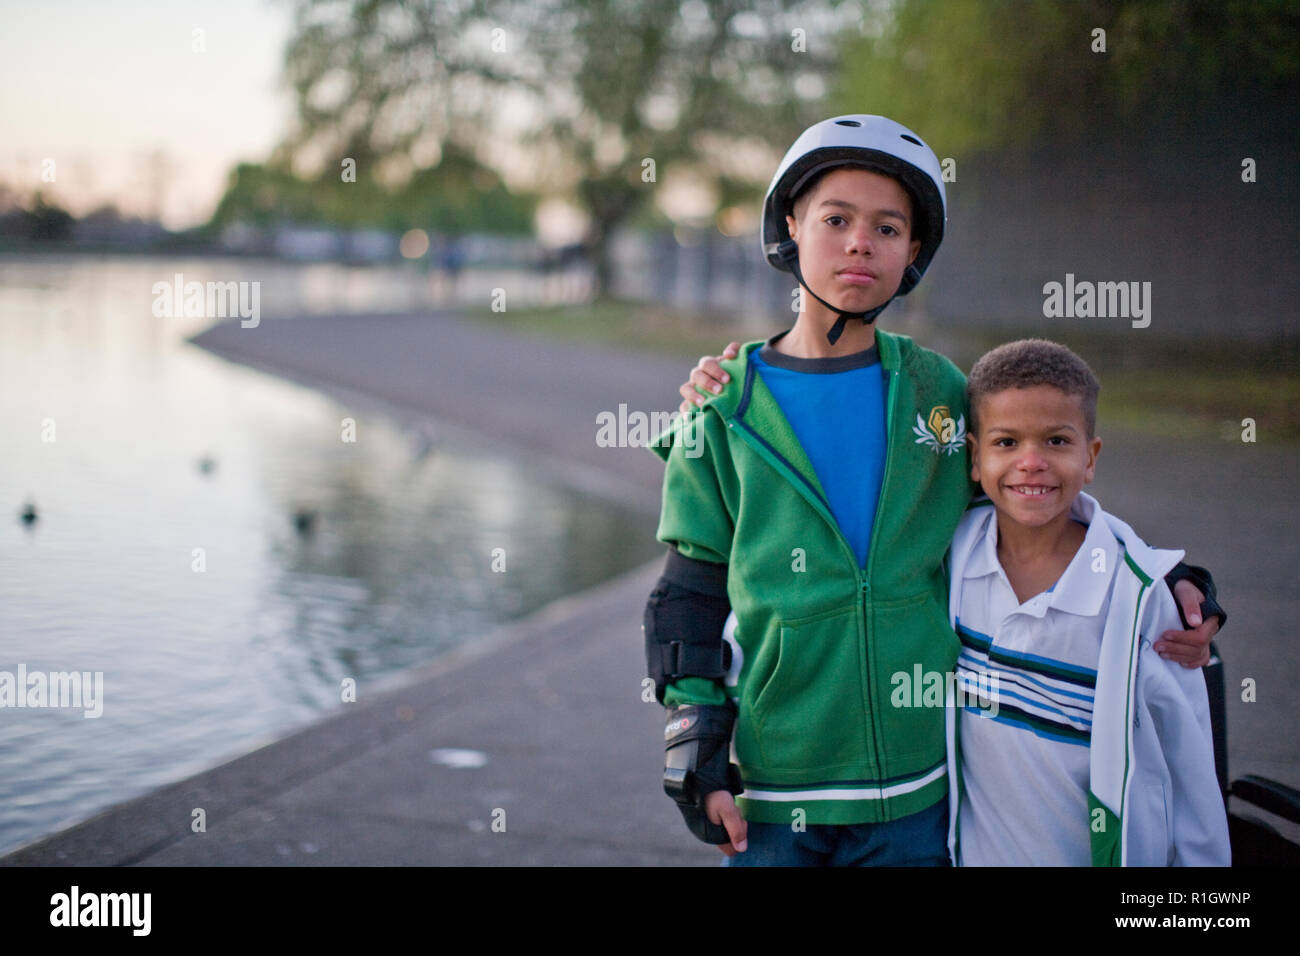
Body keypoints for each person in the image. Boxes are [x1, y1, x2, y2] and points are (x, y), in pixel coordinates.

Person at [644, 114, 1223, 866]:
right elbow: (689, 587)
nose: (861, 241)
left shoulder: (939, 393)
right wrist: (696, 740)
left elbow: (1028, 501)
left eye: (888, 228)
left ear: (912, 251)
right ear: (792, 225)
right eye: (837, 219)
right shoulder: (722, 408)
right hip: (775, 780)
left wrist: (1164, 575)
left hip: (919, 784)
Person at [945, 339, 1230, 865]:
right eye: (1006, 442)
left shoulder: (1138, 599)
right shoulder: (952, 557)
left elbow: (1190, 773)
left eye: (1056, 440)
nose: (1031, 463)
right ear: (974, 458)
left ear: (1090, 457)